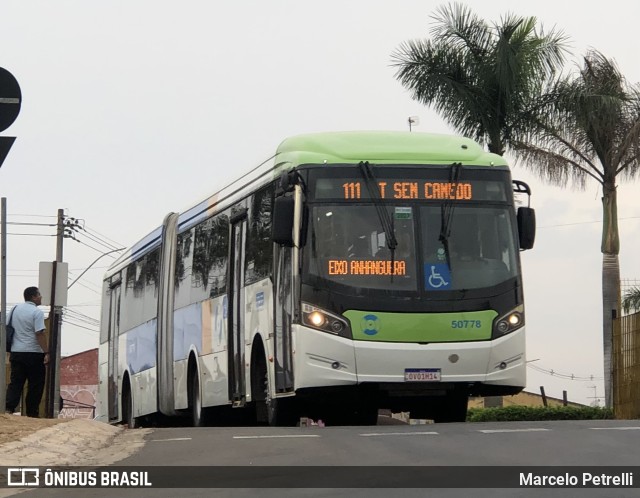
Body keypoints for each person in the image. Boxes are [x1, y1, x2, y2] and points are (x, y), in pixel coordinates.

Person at [5, 286, 49, 417]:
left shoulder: (14, 310)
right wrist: (46, 352)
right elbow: (39, 333)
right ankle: (31, 412)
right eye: (39, 295)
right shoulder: (37, 313)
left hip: (16, 352)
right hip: (34, 353)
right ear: (33, 297)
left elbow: (7, 326)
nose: (41, 297)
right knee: (35, 384)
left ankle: (9, 408)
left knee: (16, 382)